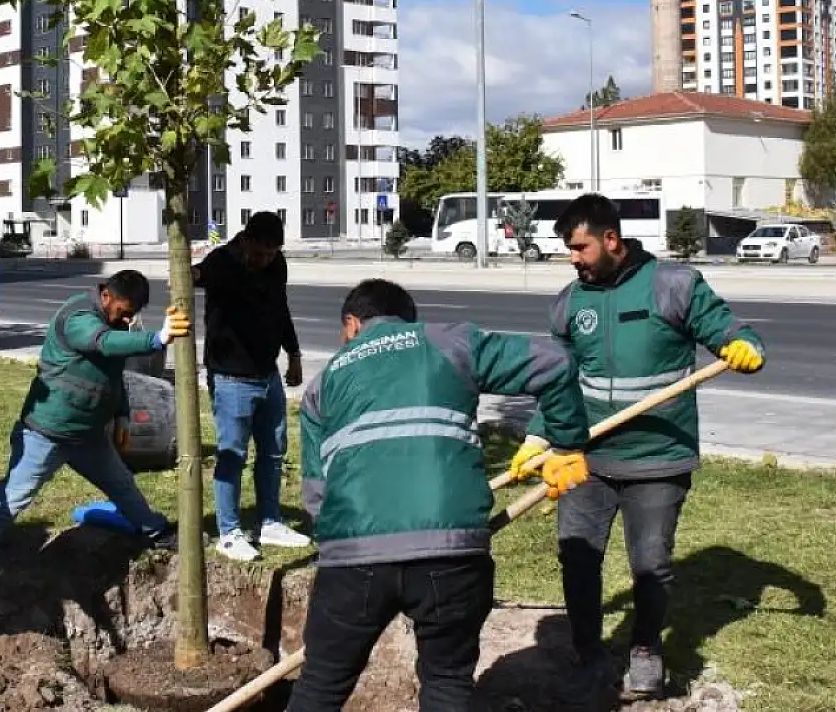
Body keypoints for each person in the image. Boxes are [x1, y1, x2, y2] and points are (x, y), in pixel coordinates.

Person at [289, 278, 592, 712]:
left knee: (318, 684)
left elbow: (316, 493)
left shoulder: (324, 384)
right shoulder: (449, 342)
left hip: (352, 559)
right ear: (408, 320)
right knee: (447, 682)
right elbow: (555, 361)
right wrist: (565, 445)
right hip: (451, 554)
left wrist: (342, 550)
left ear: (352, 324)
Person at [508, 193, 765, 700]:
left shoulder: (674, 285)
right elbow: (559, 383)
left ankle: (645, 650)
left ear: (611, 239)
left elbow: (728, 328)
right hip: (585, 457)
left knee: (650, 564)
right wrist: (539, 437)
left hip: (657, 458)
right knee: (577, 559)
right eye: (568, 249)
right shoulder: (569, 302)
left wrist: (746, 345)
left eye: (580, 247)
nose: (573, 258)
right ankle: (587, 649)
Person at [0, 271, 188, 613]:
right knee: (8, 504)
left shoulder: (116, 321)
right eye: (123, 311)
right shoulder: (78, 315)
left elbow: (113, 371)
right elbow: (102, 343)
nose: (125, 320)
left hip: (88, 435)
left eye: (131, 315)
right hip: (46, 435)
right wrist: (158, 338)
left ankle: (157, 533)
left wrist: (122, 414)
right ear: (106, 295)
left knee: (122, 485)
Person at [193, 210, 307, 561]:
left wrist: (294, 353)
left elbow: (280, 308)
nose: (264, 260)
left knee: (273, 452)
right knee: (232, 455)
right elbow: (192, 278)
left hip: (267, 374)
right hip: (230, 378)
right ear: (245, 239)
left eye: (272, 253)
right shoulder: (221, 262)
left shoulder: (277, 265)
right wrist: (187, 273)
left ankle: (270, 522)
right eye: (259, 253)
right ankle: (229, 532)